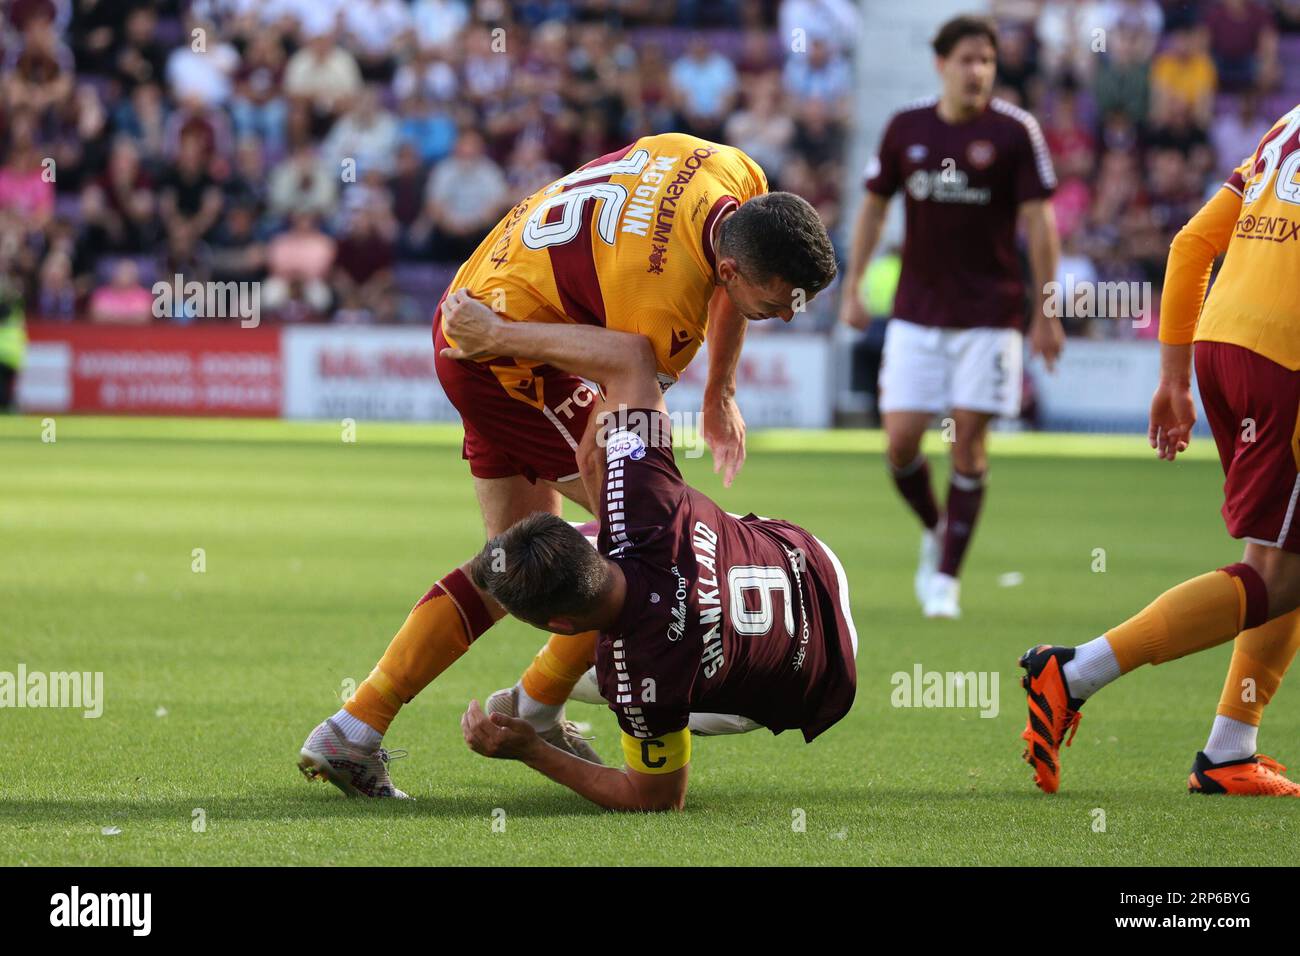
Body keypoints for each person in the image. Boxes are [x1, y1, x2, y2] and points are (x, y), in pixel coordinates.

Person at [297, 132, 838, 798]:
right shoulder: (658, 306)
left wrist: (720, 391)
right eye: (779, 302)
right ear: (730, 269)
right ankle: (527, 707)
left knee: (516, 562)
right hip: (507, 352)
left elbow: (721, 295)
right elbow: (627, 390)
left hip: (490, 297)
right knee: (644, 559)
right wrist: (499, 342)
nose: (788, 314)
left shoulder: (733, 171)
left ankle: (358, 727)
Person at [450, 295, 858, 810]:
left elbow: (656, 800)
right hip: (812, 559)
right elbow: (632, 358)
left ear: (560, 627)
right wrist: (497, 334)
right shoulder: (638, 495)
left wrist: (531, 752)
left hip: (821, 675)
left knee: (609, 684)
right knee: (678, 533)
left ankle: (534, 710)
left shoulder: (635, 678)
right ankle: (536, 705)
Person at [1020, 103, 1300, 797]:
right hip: (1288, 357)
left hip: (1222, 341)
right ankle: (1073, 671)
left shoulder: (1287, 122)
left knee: (1283, 555)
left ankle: (1230, 748)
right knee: (1281, 576)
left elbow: (1190, 245)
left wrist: (1173, 380)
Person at [839, 14, 1063, 619]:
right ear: (941, 64)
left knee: (968, 442)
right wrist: (853, 286)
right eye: (967, 60)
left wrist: (1046, 311)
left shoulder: (1016, 132)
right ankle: (939, 528)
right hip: (916, 316)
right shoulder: (906, 128)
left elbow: (1041, 224)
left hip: (990, 318)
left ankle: (945, 579)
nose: (978, 71)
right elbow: (872, 210)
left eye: (987, 61)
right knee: (901, 443)